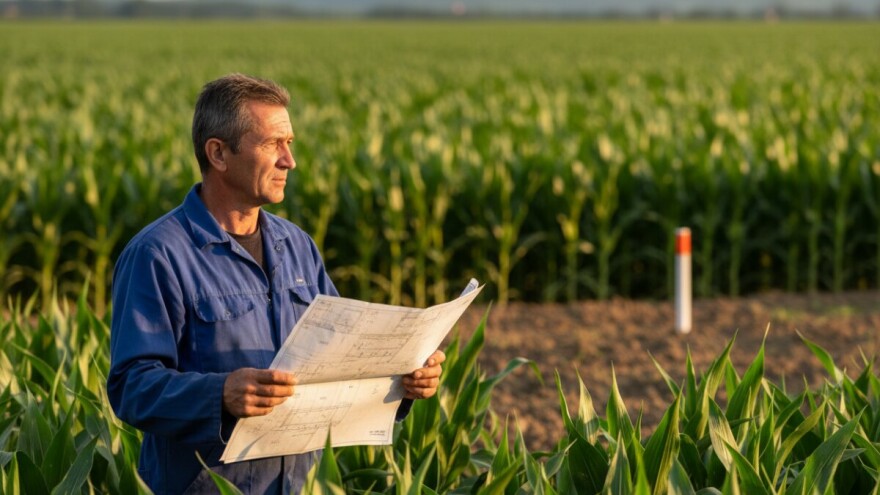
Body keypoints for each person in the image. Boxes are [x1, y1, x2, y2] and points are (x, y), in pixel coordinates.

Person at [107, 73, 445, 495]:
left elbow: (345, 359)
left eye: (290, 144)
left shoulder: (297, 246)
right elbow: (131, 387)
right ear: (218, 153)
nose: (289, 161)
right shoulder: (158, 254)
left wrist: (406, 378)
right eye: (272, 144)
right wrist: (220, 394)